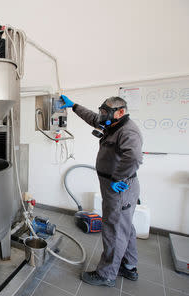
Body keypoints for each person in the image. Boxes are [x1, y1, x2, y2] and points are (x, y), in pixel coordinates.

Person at [61, 95, 143, 287]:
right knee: (125, 228)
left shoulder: (128, 131)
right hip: (115, 185)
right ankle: (129, 266)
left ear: (121, 112)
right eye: (102, 111)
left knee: (114, 230)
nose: (102, 115)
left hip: (120, 187)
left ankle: (106, 274)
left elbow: (134, 158)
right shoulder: (112, 124)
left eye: (106, 112)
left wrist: (117, 178)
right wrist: (73, 105)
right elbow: (92, 117)